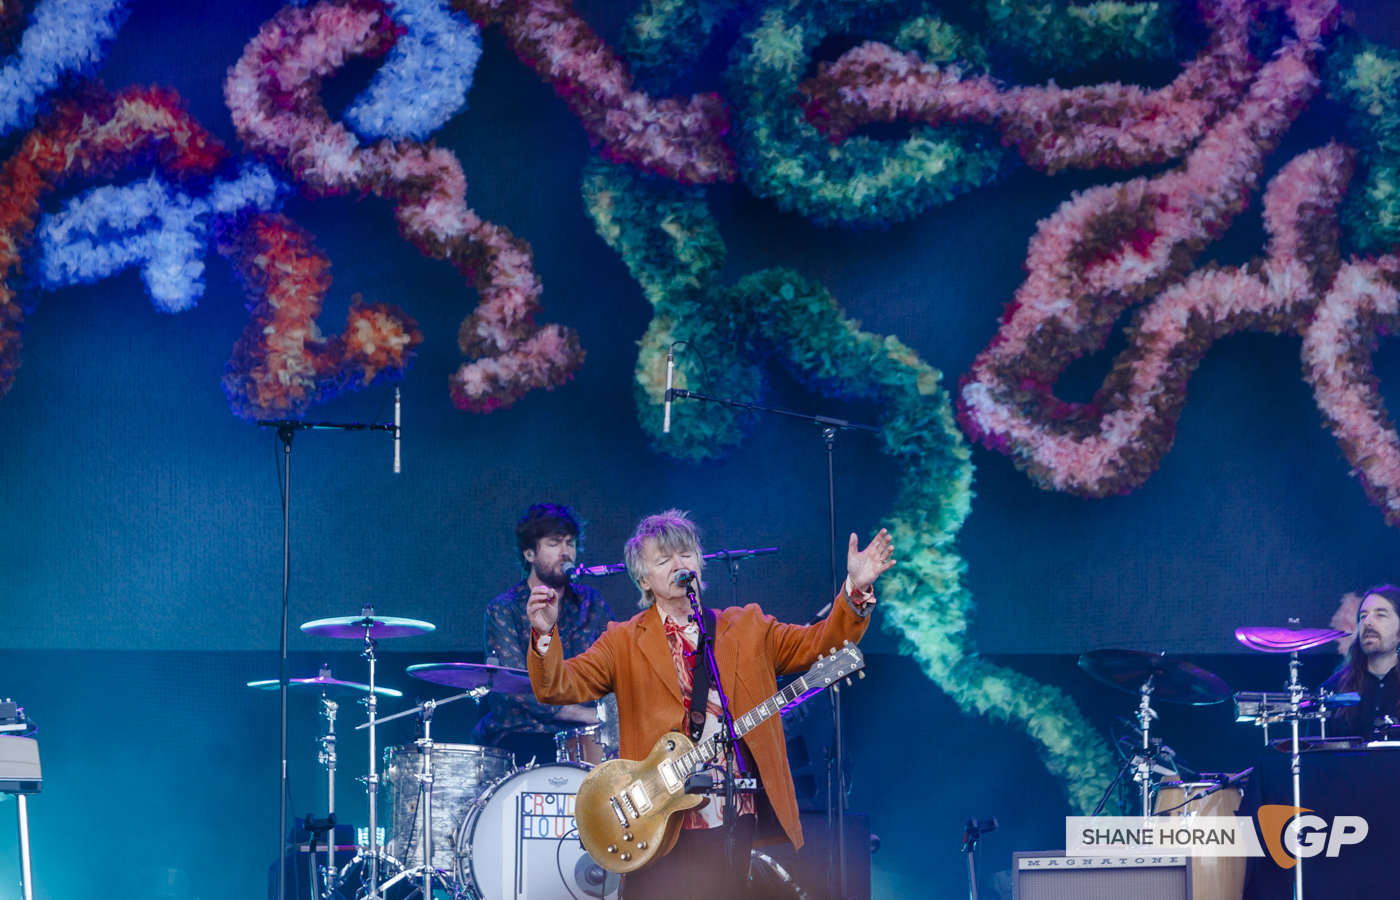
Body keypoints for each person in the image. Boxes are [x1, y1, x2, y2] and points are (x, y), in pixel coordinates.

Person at [525, 509, 895, 900]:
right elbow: (558, 686)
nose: (679, 564)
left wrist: (854, 587)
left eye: (685, 554)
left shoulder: (748, 627)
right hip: (656, 818)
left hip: (731, 816)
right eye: (664, 559)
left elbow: (818, 643)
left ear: (700, 563)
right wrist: (544, 633)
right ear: (643, 579)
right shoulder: (624, 640)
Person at [471, 503, 614, 764]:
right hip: (523, 737)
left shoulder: (591, 603)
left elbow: (615, 668)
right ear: (529, 553)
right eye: (553, 543)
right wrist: (588, 715)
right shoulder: (505, 609)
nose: (565, 552)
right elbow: (515, 688)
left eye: (570, 543)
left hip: (586, 738)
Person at [1321, 585, 1400, 739]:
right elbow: (1314, 757)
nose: (1367, 622)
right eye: (1363, 616)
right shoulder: (1332, 689)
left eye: (1380, 615)